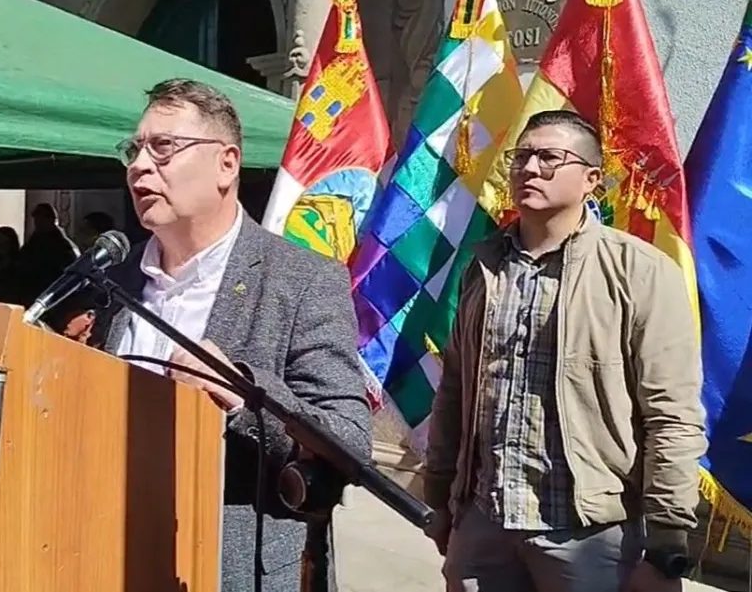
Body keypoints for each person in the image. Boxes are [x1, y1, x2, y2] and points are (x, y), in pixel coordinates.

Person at [85, 78, 371, 592]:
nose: (139, 166)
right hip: (107, 551)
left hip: (231, 568)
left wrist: (242, 394)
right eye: (134, 149)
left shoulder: (302, 280)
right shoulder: (115, 277)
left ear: (227, 163)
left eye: (163, 147)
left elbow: (349, 440)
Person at [424, 110, 705, 592]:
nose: (530, 169)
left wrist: (667, 538)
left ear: (591, 180)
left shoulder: (639, 271)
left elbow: (672, 412)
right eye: (522, 157)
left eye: (550, 158)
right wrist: (441, 494)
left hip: (588, 535)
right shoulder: (485, 265)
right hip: (485, 523)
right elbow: (455, 389)